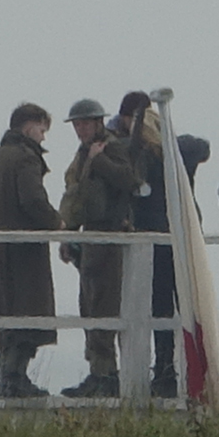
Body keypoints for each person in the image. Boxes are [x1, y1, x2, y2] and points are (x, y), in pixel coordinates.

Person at [0, 102, 62, 399]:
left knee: (6, 316)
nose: (43, 137)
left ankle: (8, 378)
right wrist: (57, 223)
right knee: (28, 315)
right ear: (28, 126)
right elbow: (33, 201)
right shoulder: (26, 159)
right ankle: (15, 377)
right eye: (41, 129)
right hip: (24, 254)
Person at [57, 98, 141, 398]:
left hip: (109, 234)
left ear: (97, 122)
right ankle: (98, 371)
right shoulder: (84, 153)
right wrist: (68, 235)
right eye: (77, 125)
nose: (80, 129)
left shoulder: (113, 147)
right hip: (91, 235)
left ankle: (106, 375)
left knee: (104, 304)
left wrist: (99, 160)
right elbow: (76, 195)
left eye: (84, 123)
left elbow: (129, 180)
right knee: (90, 305)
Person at [112, 91, 178, 399]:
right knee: (160, 307)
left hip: (150, 236)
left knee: (150, 306)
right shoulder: (169, 154)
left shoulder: (136, 151)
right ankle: (163, 370)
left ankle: (158, 371)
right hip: (166, 237)